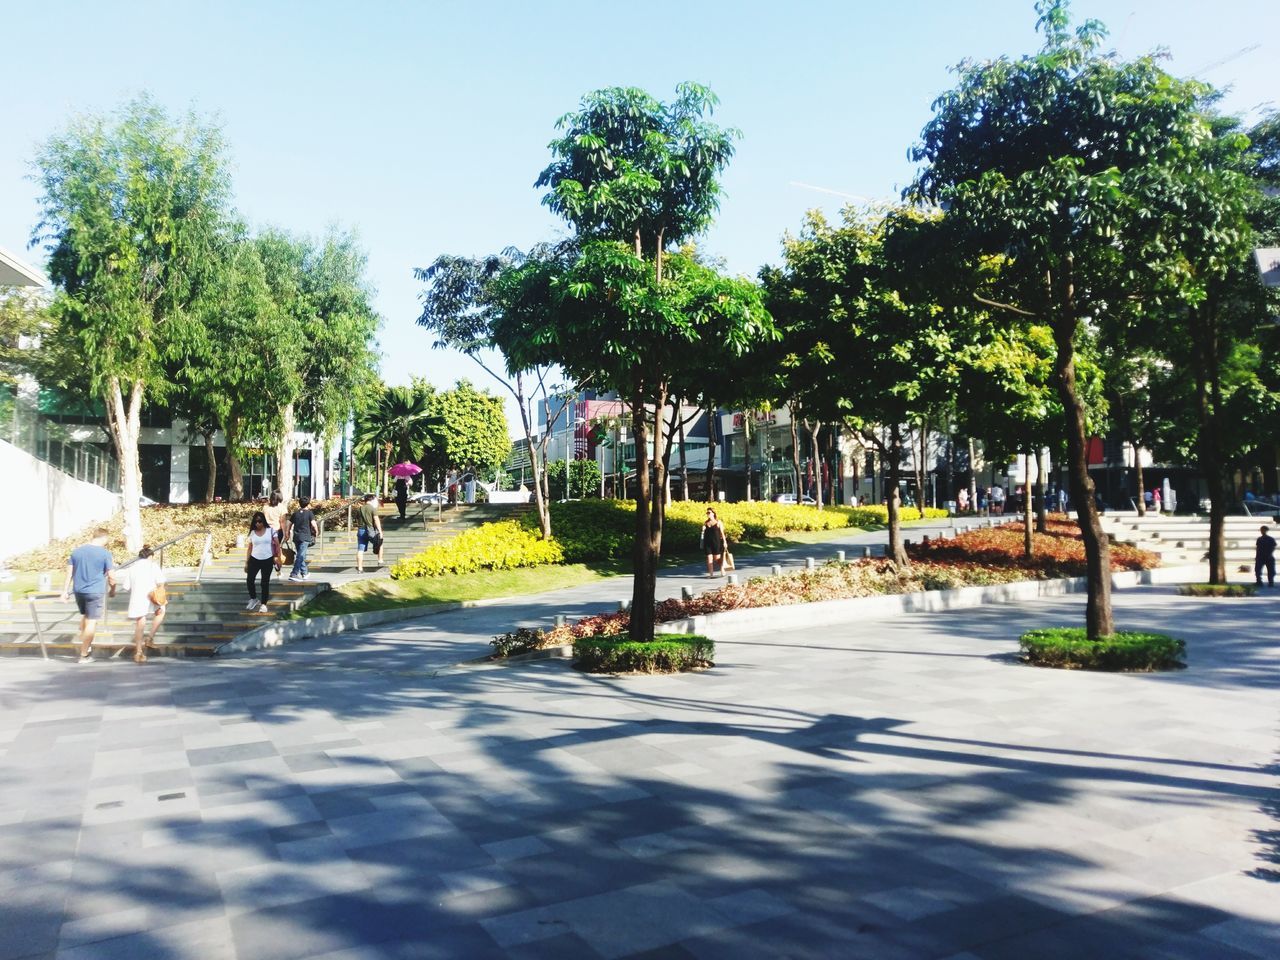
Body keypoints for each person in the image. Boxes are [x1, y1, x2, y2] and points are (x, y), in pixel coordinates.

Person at [61, 528, 116, 663]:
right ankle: (84, 654)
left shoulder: (76, 552)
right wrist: (113, 589)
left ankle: (85, 640)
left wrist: (64, 591)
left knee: (85, 615)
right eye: (106, 540)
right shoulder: (105, 553)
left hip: (79, 591)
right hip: (95, 591)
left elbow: (69, 573)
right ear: (103, 538)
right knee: (92, 620)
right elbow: (111, 576)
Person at [124, 545, 166, 663]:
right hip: (152, 596)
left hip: (137, 598)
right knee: (161, 612)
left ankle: (138, 652)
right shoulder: (153, 566)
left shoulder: (132, 568)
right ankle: (150, 637)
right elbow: (161, 582)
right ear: (151, 556)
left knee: (140, 623)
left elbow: (126, 586)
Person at [244, 511, 279, 613]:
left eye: (259, 521)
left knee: (265, 582)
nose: (257, 524)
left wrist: (277, 557)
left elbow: (277, 545)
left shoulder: (271, 531)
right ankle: (253, 598)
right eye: (255, 522)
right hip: (254, 558)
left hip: (267, 558)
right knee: (249, 580)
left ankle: (264, 604)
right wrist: (247, 561)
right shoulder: (252, 533)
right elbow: (250, 548)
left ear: (263, 521)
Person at [287, 495, 318, 582]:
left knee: (301, 555)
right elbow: (314, 524)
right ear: (308, 504)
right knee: (300, 556)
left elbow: (289, 524)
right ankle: (294, 573)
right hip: (305, 537)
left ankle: (304, 573)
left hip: (296, 537)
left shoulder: (295, 513)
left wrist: (287, 533)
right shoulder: (309, 513)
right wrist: (317, 532)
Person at [355, 493, 384, 573]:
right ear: (372, 500)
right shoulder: (372, 509)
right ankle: (380, 560)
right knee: (380, 542)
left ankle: (360, 569)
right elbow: (376, 520)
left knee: (360, 550)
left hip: (361, 530)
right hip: (371, 530)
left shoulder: (359, 509)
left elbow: (357, 520)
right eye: (375, 499)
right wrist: (380, 531)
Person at [701, 507, 727, 577]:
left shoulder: (718, 522)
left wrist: (725, 542)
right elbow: (703, 533)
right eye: (707, 513)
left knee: (717, 559)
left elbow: (722, 533)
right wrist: (703, 530)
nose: (708, 514)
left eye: (709, 513)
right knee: (709, 559)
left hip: (716, 543)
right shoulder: (706, 523)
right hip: (707, 543)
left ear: (713, 513)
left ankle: (722, 568)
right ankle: (711, 574)